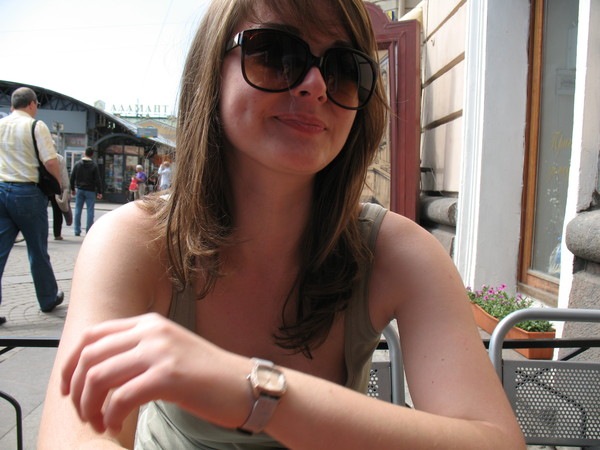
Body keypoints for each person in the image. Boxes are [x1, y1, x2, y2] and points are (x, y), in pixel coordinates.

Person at [38, 1, 526, 449]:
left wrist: (256, 392)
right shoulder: (136, 240)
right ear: (211, 73)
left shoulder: (399, 252)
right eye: (275, 54)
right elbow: (76, 436)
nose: (315, 84)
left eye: (343, 69)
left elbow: (495, 441)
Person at [0, 87, 65, 325]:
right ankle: (47, 298)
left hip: (1, 189)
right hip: (27, 192)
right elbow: (50, 161)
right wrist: (58, 184)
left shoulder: (1, 124)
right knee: (37, 250)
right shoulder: (35, 126)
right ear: (32, 104)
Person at [70, 147, 102, 236]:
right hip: (90, 190)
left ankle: (77, 230)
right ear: (92, 154)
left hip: (80, 189)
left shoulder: (77, 164)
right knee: (90, 210)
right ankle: (88, 230)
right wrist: (99, 191)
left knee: (78, 210)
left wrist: (72, 189)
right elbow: (97, 179)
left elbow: (72, 177)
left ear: (85, 153)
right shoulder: (94, 165)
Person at [49, 153, 72, 240]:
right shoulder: (59, 158)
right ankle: (57, 234)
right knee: (57, 211)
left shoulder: (40, 156)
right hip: (56, 187)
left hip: (42, 187)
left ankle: (40, 233)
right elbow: (63, 175)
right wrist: (66, 188)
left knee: (41, 211)